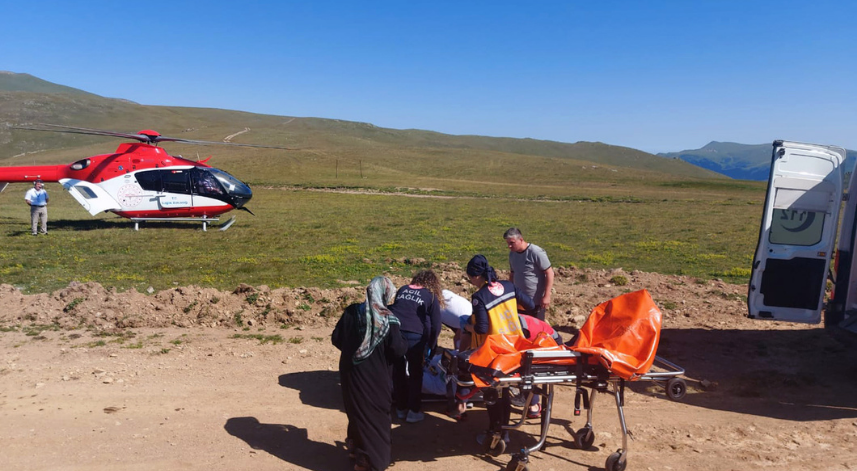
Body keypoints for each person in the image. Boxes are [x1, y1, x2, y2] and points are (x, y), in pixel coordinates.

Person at [332, 276, 407, 471]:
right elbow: (398, 350)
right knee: (375, 418)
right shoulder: (389, 319)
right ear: (386, 294)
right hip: (375, 377)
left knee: (356, 410)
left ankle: (354, 448)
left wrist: (353, 351)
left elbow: (336, 338)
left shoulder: (351, 312)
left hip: (350, 373)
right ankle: (366, 461)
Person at [463, 254, 535, 445]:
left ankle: (495, 432)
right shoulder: (509, 286)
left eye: (470, 277)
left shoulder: (479, 297)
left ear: (476, 276)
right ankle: (505, 432)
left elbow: (481, 328)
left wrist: (468, 327)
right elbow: (531, 305)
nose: (470, 281)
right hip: (516, 350)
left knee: (493, 393)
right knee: (506, 390)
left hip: (494, 352)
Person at [390, 270, 444, 423]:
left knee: (398, 371)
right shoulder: (431, 296)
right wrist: (432, 345)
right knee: (416, 373)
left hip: (396, 333)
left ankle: (400, 408)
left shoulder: (402, 289)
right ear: (432, 283)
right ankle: (414, 411)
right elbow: (436, 326)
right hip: (415, 337)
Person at [505, 228, 554, 321]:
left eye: (512, 243)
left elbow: (549, 273)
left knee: (537, 328)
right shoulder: (512, 254)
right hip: (519, 300)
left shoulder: (536, 252)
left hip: (535, 301)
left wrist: (547, 295)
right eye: (508, 243)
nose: (509, 246)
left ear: (521, 239)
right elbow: (512, 274)